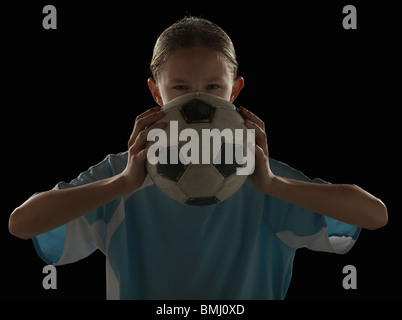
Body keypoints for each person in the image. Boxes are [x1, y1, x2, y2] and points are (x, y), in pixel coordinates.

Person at [9, 16, 387, 300]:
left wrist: (274, 184)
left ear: (234, 90)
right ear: (156, 93)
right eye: (180, 87)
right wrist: (122, 183)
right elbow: (22, 224)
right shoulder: (121, 173)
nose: (197, 99)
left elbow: (374, 215)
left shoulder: (262, 175)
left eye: (212, 87)